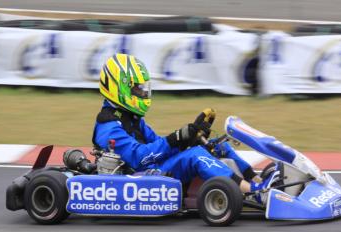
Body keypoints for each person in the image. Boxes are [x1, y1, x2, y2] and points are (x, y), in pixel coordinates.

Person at [92, 53, 277, 205]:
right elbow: (140, 157)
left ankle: (258, 181)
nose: (142, 94)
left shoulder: (131, 118)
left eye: (143, 89)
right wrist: (177, 139)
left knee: (217, 146)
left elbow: (157, 144)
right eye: (137, 90)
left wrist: (189, 138)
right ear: (119, 88)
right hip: (137, 179)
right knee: (196, 155)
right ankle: (251, 192)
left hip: (151, 171)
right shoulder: (108, 125)